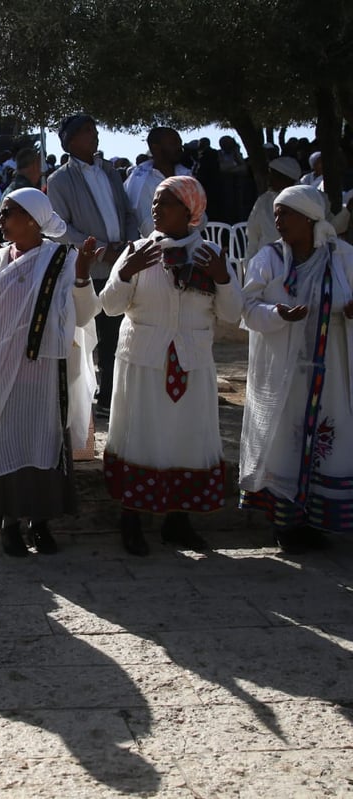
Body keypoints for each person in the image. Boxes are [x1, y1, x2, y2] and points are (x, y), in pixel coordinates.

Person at [101, 176, 241, 555]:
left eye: (166, 202)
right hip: (144, 361)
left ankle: (178, 522)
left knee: (186, 437)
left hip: (191, 363)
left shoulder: (210, 254)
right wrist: (126, 272)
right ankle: (131, 521)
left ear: (189, 210)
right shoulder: (137, 250)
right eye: (155, 202)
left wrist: (223, 279)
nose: (155, 208)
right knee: (140, 435)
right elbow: (111, 307)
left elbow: (231, 312)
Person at [0, 189, 101, 556]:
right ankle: (9, 523)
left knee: (44, 439)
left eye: (8, 213)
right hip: (3, 366)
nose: (1, 220)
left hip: (46, 371)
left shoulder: (63, 259)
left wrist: (84, 277)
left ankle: (40, 523)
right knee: (6, 439)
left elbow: (85, 316)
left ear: (32, 219)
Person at [239, 185, 353, 552]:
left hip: (331, 366)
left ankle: (317, 522)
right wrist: (278, 314)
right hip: (283, 368)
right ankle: (285, 525)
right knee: (284, 441)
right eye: (276, 213)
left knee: (326, 439)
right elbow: (248, 307)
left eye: (286, 214)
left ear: (309, 218)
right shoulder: (268, 259)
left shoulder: (343, 258)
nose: (278, 221)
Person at [47, 113, 140, 418]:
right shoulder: (60, 180)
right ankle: (105, 398)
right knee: (102, 335)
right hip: (93, 269)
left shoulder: (110, 171)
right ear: (71, 140)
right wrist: (100, 251)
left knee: (126, 330)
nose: (95, 135)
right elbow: (61, 229)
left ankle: (119, 394)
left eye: (95, 129)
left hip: (122, 262)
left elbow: (127, 213)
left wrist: (126, 246)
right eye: (87, 131)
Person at [124, 127, 192, 238]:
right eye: (173, 143)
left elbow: (201, 219)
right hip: (158, 250)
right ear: (155, 148)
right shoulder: (141, 181)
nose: (180, 148)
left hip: (191, 245)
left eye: (180, 143)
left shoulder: (186, 174)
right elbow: (148, 227)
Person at [246, 157, 303, 258]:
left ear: (286, 178)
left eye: (273, 174)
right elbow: (253, 235)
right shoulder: (264, 200)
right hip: (266, 260)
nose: (269, 178)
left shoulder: (305, 200)